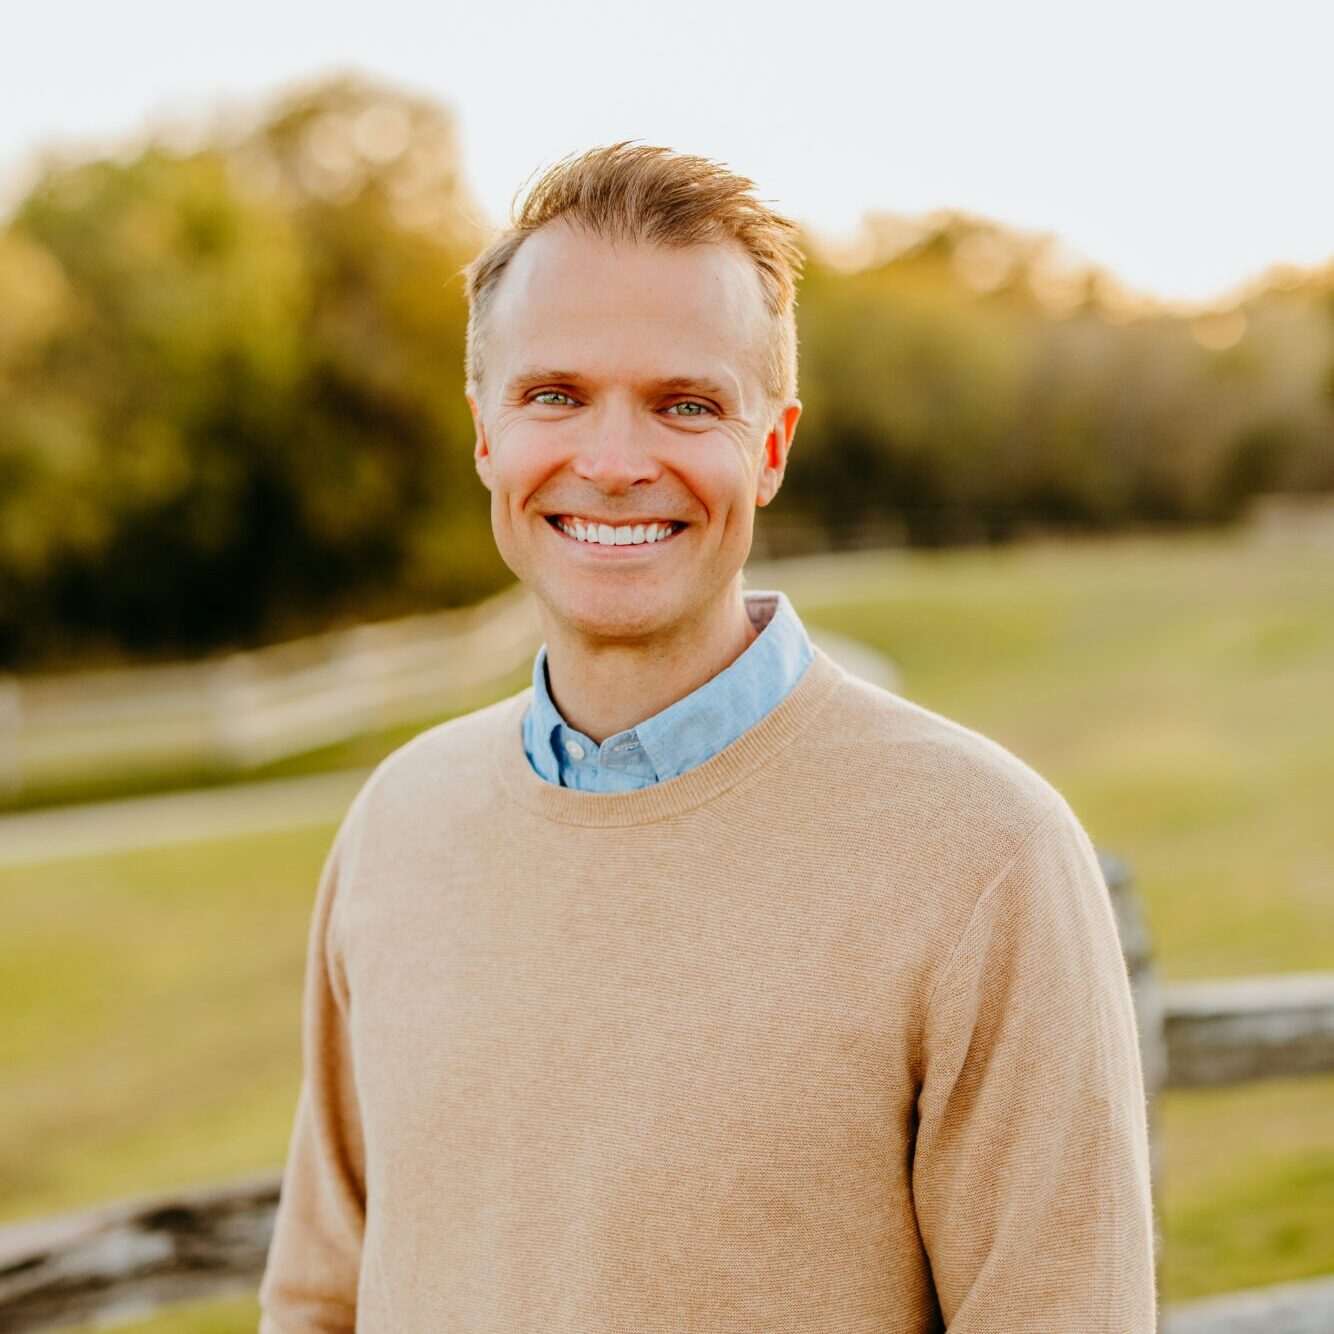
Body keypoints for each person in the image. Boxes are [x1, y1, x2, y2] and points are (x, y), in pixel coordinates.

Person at [258, 142, 1158, 1331]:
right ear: (484, 431)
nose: (617, 463)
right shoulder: (396, 824)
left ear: (771, 447)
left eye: (685, 405)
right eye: (554, 395)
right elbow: (321, 1293)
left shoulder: (985, 857)